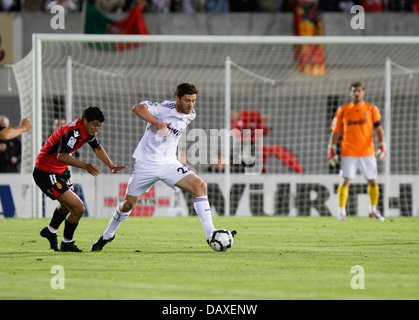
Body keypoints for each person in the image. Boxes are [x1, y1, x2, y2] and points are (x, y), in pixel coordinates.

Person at [91, 82, 236, 251]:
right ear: (177, 99)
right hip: (145, 164)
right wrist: (157, 123)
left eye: (194, 100)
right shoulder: (163, 108)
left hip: (169, 163)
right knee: (128, 204)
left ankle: (210, 234)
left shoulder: (191, 115)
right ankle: (108, 234)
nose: (191, 105)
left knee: (200, 186)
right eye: (187, 100)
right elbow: (137, 108)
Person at [35, 107, 127, 252]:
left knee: (67, 206)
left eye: (99, 126)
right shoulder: (73, 132)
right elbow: (62, 156)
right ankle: (67, 243)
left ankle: (50, 231)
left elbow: (96, 147)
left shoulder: (87, 131)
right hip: (46, 171)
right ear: (85, 120)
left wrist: (111, 165)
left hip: (61, 170)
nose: (96, 129)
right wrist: (86, 166)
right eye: (94, 124)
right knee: (78, 208)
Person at [327, 82, 387, 221]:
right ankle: (341, 211)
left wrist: (383, 146)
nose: (357, 93)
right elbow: (335, 132)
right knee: (345, 181)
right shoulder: (343, 110)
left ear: (364, 93)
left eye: (359, 91)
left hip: (367, 152)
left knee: (373, 181)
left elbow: (379, 129)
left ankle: (373, 209)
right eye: (354, 91)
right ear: (350, 93)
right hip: (349, 152)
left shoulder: (371, 109)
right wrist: (331, 148)